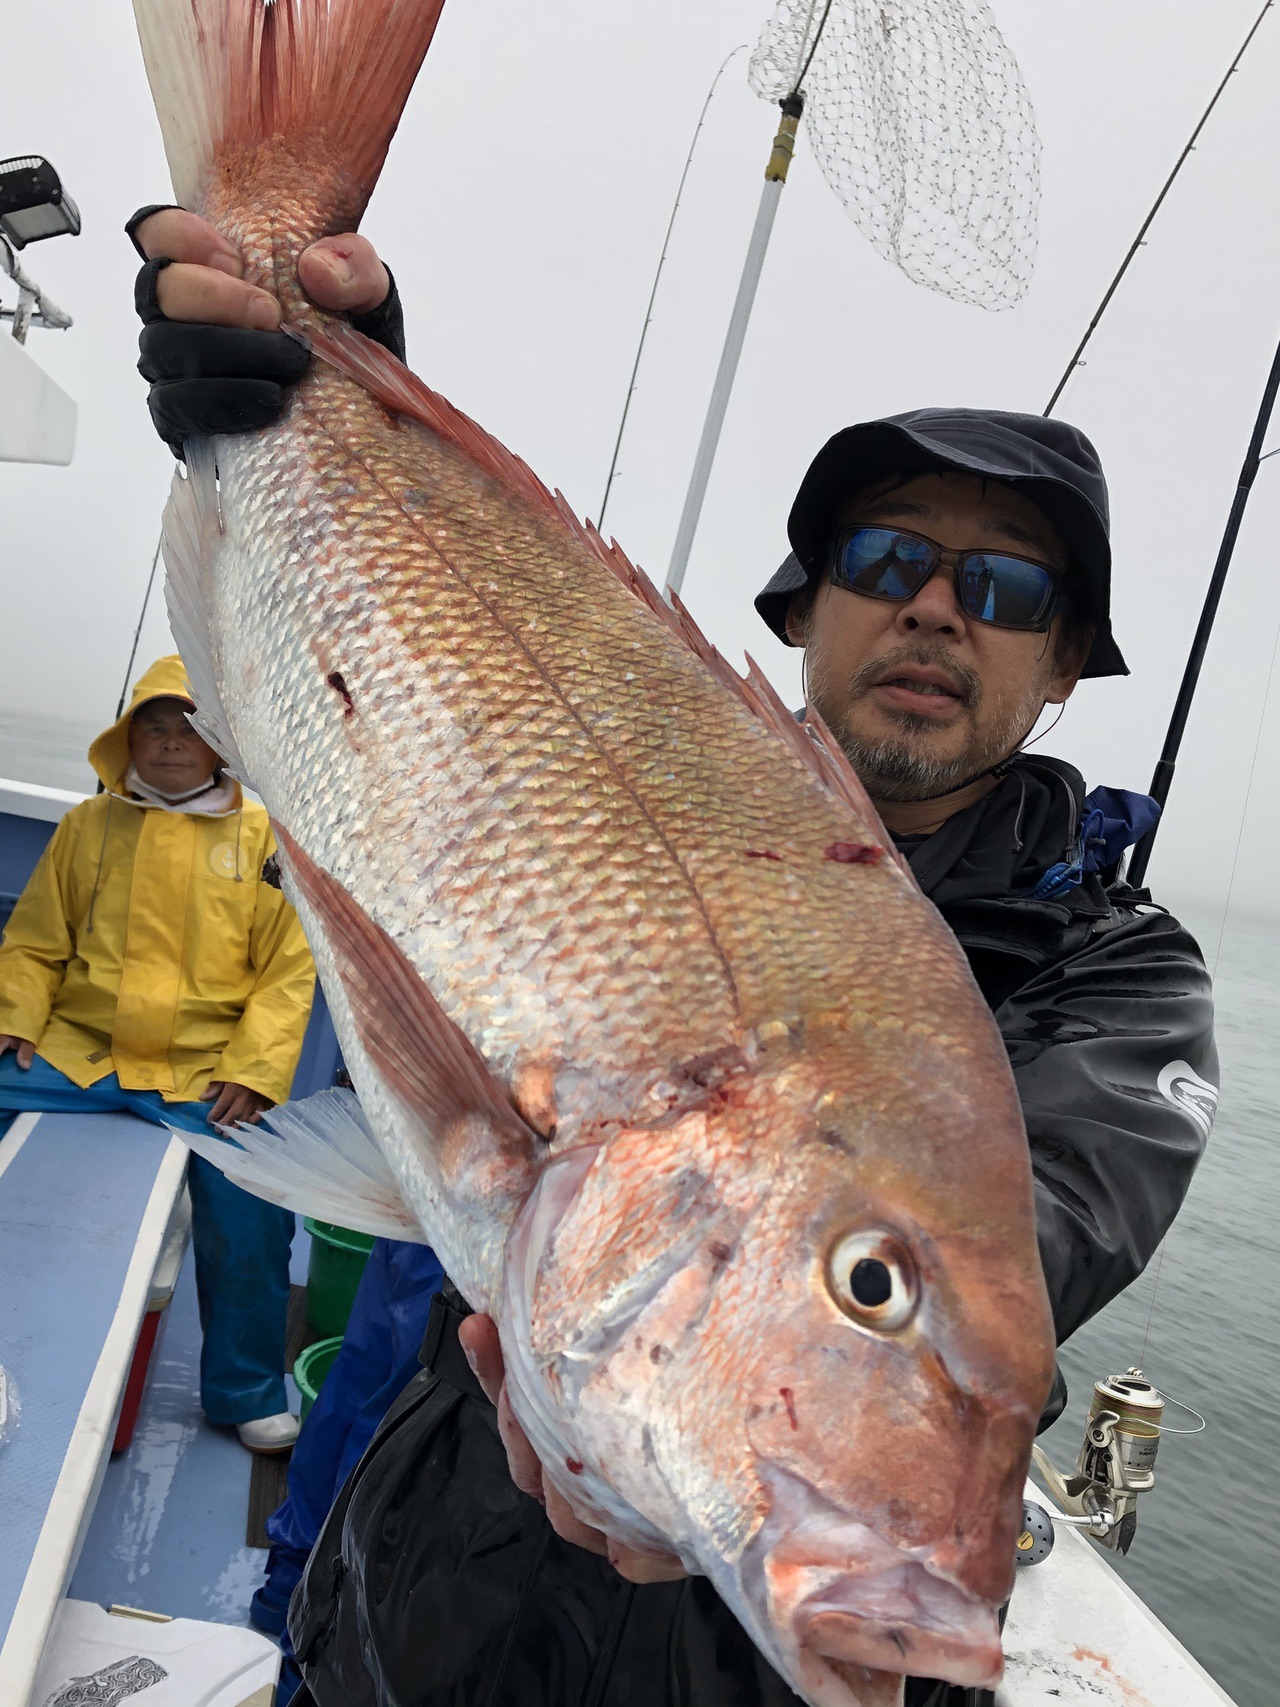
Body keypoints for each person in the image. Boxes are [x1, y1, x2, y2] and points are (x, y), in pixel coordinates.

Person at [126, 211, 1218, 1704]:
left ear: (1067, 666)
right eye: (890, 558)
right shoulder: (618, 767)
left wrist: (675, 1433)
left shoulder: (1120, 971)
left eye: (1008, 589)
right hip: (411, 1610)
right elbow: (419, 697)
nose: (935, 606)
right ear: (805, 607)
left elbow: (1026, 1242)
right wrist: (344, 385)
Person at [0, 655, 316, 1453]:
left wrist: (254, 1067)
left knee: (253, 1200)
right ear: (127, 738)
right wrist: (17, 1018)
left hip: (201, 1071)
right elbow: (36, 941)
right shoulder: (86, 825)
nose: (171, 744)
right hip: (81, 1051)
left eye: (191, 729)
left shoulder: (267, 839)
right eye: (153, 725)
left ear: (221, 744)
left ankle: (243, 1388)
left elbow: (288, 970)